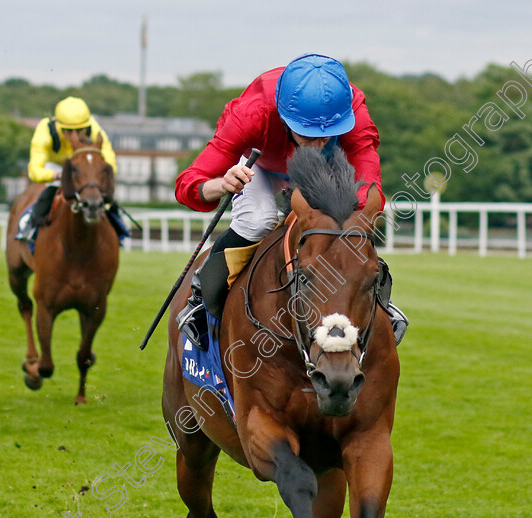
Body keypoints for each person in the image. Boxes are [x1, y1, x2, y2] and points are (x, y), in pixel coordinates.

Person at [174, 53, 408, 350]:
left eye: (328, 134)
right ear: (284, 116)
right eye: (308, 133)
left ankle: (380, 302)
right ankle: (199, 298)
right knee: (258, 220)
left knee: (344, 225)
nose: (318, 142)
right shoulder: (252, 113)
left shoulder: (353, 110)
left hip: (325, 169)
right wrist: (220, 184)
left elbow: (368, 179)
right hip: (261, 166)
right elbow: (187, 184)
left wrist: (351, 218)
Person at [26, 96, 118, 229]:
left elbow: (110, 165)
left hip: (84, 170)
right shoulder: (45, 132)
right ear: (59, 127)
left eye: (80, 130)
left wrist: (98, 176)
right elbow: (34, 171)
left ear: (87, 126)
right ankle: (31, 228)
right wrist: (57, 175)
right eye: (69, 131)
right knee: (47, 194)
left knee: (108, 201)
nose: (75, 135)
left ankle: (119, 231)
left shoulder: (95, 129)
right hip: (55, 168)